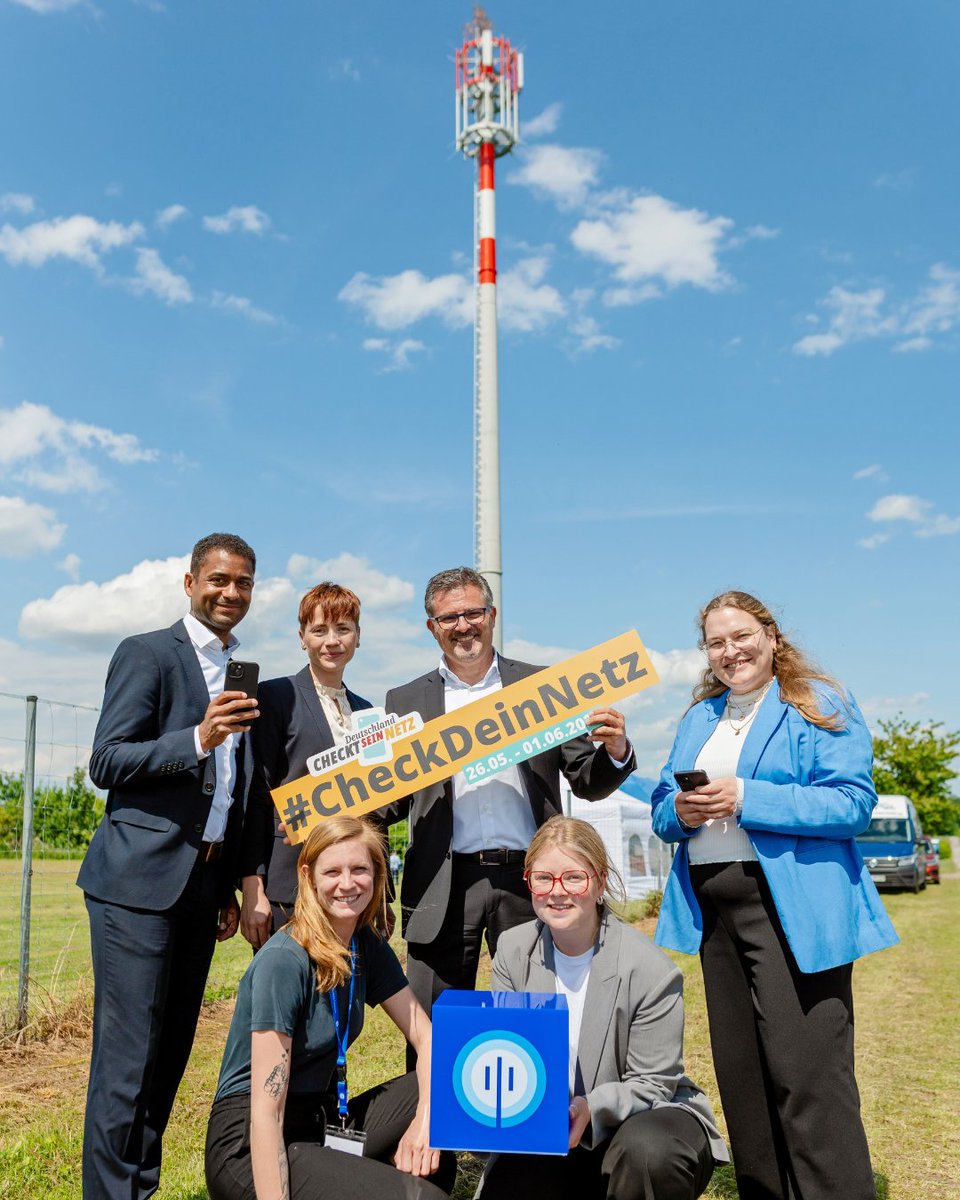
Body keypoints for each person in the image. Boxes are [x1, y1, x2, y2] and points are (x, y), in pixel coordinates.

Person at [651, 590, 899, 1200]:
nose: (730, 650)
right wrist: (681, 810)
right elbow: (661, 809)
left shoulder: (817, 701)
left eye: (741, 635)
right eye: (716, 642)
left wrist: (746, 797)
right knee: (744, 1079)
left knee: (808, 1076)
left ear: (771, 636)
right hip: (715, 911)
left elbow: (852, 804)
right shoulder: (698, 718)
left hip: (793, 910)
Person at [78, 532, 261, 1199]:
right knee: (128, 1063)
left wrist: (228, 881)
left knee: (168, 1058)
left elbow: (233, 791)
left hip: (201, 886)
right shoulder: (149, 653)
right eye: (218, 579)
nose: (230, 592)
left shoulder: (242, 673)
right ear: (190, 584)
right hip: (137, 885)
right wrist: (198, 739)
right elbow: (107, 761)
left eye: (243, 583)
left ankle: (138, 1188)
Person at [383, 566, 636, 1020]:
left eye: (473, 613)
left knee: (534, 1018)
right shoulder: (405, 702)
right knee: (433, 1028)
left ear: (492, 615)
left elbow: (585, 778)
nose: (463, 625)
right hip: (443, 883)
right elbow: (392, 801)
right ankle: (430, 1075)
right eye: (449, 618)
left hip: (530, 879)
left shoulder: (544, 687)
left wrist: (615, 751)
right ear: (432, 627)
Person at [205, 815, 456, 1200]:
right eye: (332, 872)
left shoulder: (363, 942)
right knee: (424, 1197)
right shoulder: (284, 961)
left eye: (360, 869)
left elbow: (428, 1038)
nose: (347, 883)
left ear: (377, 874)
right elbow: (267, 1114)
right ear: (308, 877)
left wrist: (425, 1122)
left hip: (320, 1120)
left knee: (439, 1138)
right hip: (251, 1143)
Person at [483, 815, 727, 1199]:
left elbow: (653, 1084)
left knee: (648, 1151)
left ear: (599, 883)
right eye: (543, 878)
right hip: (555, 1126)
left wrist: (589, 1107)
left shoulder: (649, 968)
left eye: (574, 877)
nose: (557, 891)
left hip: (644, 1118)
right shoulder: (512, 951)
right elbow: (509, 1055)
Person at [240, 583, 373, 949]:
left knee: (348, 983)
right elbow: (256, 796)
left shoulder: (367, 711)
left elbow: (373, 804)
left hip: (352, 891)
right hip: (288, 887)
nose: (332, 641)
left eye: (343, 628)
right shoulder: (274, 697)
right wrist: (253, 887)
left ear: (358, 636)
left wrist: (381, 891)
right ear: (302, 637)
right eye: (319, 630)